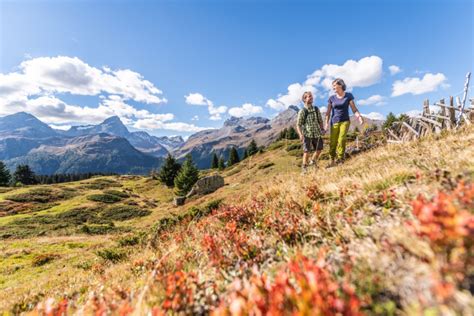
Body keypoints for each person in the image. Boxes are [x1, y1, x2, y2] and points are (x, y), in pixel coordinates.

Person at [325, 78, 364, 167]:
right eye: (333, 86)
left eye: (334, 85)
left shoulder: (348, 96)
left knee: (341, 139)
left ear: (340, 85)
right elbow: (328, 112)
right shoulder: (331, 98)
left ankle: (340, 159)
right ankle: (331, 160)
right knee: (333, 142)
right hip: (334, 122)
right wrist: (326, 124)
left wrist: (359, 117)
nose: (333, 87)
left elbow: (354, 109)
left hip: (345, 121)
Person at [296, 91, 325, 173]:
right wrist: (300, 135)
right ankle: (304, 168)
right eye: (309, 96)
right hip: (307, 134)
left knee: (319, 149)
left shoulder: (316, 109)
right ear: (304, 99)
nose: (311, 97)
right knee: (306, 151)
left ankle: (313, 161)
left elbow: (320, 120)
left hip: (317, 133)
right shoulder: (302, 111)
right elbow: (298, 124)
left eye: (311, 96)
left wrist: (322, 129)